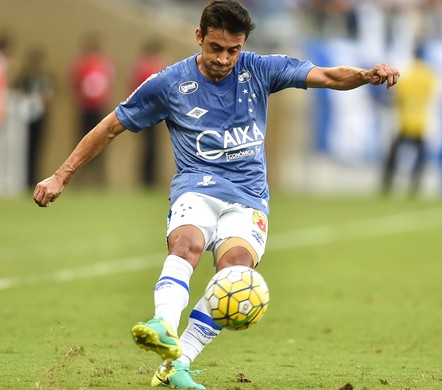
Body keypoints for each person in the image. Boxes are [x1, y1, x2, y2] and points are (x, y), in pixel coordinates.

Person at [33, 1, 399, 389]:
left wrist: (366, 75)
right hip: (198, 187)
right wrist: (61, 176)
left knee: (236, 273)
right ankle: (163, 324)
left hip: (248, 196)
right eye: (216, 48)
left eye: (233, 50)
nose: (225, 59)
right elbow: (108, 128)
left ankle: (177, 365)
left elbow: (327, 75)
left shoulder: (260, 69)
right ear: (198, 37)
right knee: (187, 243)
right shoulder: (168, 83)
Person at [381, 47, 436, 197]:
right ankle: (415, 186)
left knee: (393, 155)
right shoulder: (428, 76)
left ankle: (387, 184)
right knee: (421, 157)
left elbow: (397, 96)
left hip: (405, 122)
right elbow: (431, 96)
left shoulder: (408, 75)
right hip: (420, 123)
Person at [68, 34, 115, 185]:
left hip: (99, 109)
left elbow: (108, 85)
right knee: (83, 141)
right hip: (85, 109)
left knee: (102, 140)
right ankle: (81, 176)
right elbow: (75, 84)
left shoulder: (104, 64)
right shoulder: (82, 64)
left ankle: (98, 176)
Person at [14, 47, 56, 188]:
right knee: (25, 149)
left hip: (40, 118)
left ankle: (34, 178)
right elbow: (17, 94)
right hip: (25, 120)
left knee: (37, 149)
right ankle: (25, 179)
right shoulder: (25, 78)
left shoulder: (45, 78)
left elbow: (51, 95)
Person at [129, 39, 167, 188]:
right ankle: (148, 179)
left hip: (146, 111)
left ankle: (149, 178)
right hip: (150, 111)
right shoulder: (152, 66)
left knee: (150, 146)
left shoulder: (140, 65)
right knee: (150, 146)